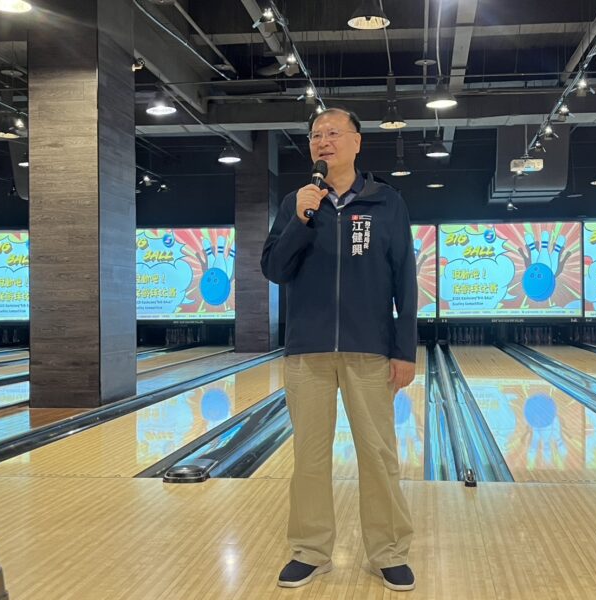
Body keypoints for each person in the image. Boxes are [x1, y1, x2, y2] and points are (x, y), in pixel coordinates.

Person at [261, 107, 417, 592]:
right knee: (309, 457)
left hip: (369, 348)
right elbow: (274, 269)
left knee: (378, 454)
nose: (323, 141)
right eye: (315, 135)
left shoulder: (387, 202)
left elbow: (405, 279)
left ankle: (388, 551)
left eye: (332, 133)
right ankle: (310, 551)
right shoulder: (296, 202)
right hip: (307, 350)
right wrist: (300, 220)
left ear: (356, 142)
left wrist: (405, 349)